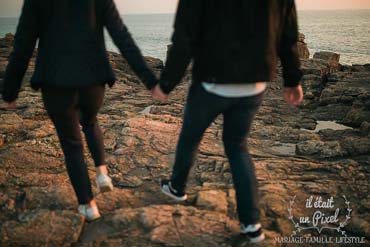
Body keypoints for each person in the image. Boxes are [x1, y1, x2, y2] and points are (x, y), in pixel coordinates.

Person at [152, 0, 304, 243]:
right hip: (254, 83)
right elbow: (288, 35)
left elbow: (184, 37)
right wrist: (293, 80)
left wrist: (167, 83)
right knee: (237, 146)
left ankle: (177, 188)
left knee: (191, 136)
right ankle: (252, 224)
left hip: (212, 83)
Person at [2, 0, 157, 221]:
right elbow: (122, 38)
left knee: (72, 143)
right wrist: (150, 81)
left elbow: (23, 46)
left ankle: (88, 205)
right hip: (93, 81)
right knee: (91, 121)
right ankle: (102, 173)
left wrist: (10, 91)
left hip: (56, 83)